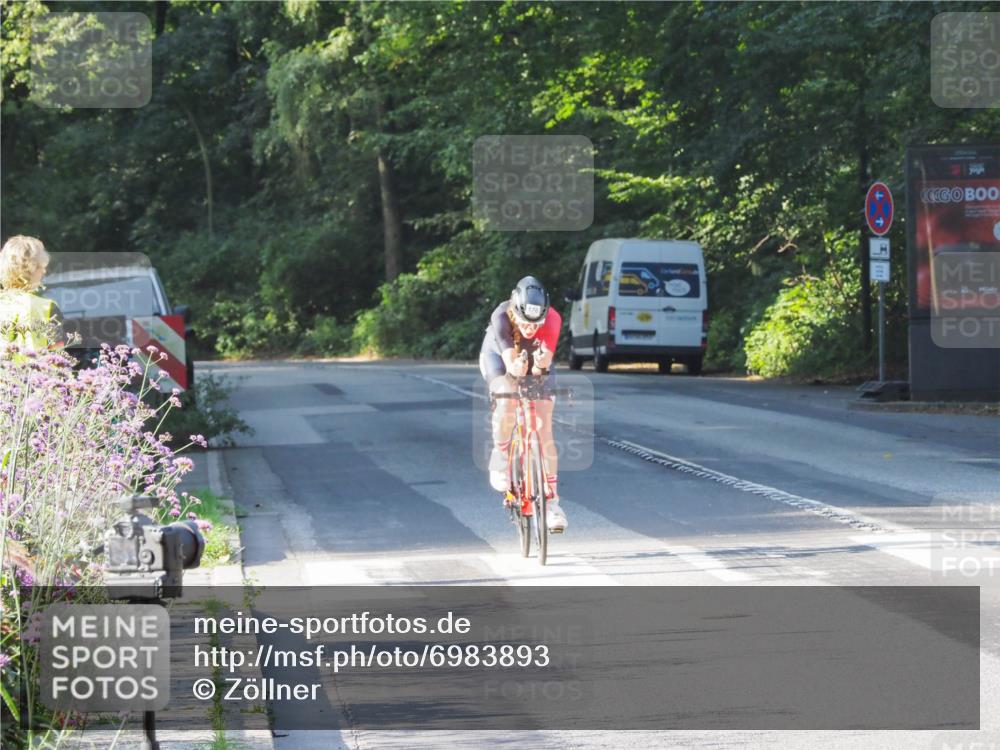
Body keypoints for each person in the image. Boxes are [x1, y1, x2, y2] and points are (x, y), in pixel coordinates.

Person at [479, 276, 567, 533]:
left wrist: (539, 369)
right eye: (525, 323)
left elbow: (543, 366)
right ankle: (500, 454)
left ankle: (552, 503)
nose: (529, 329)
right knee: (506, 397)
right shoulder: (501, 317)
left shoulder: (553, 319)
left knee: (543, 424)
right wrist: (516, 371)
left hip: (535, 355)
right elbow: (511, 365)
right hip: (499, 356)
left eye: (535, 324)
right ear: (514, 312)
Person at [0, 235, 65, 351]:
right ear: (29, 269)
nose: (44, 271)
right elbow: (58, 356)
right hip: (37, 363)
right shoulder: (47, 307)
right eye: (40, 266)